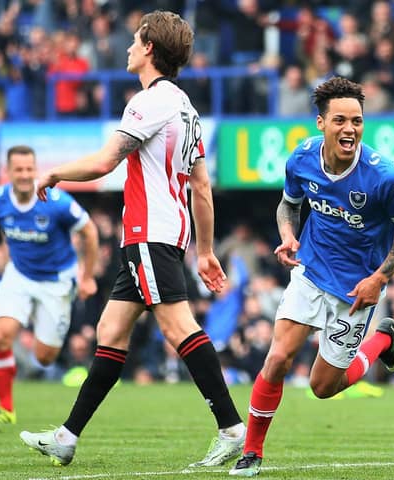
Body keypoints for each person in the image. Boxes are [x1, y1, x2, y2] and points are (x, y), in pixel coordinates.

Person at [19, 10, 246, 468]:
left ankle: (231, 427)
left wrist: (56, 172)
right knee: (110, 331)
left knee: (178, 327)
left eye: (133, 40)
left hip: (148, 233)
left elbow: (105, 163)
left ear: (148, 49)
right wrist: (203, 251)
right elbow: (200, 187)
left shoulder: (149, 103)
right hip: (165, 235)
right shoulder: (186, 106)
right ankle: (66, 437)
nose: (127, 47)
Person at [229, 76, 394, 476]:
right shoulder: (301, 159)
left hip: (357, 289)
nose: (349, 129)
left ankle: (382, 340)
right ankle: (252, 452)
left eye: (356, 120)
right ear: (321, 122)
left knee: (323, 387)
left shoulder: (384, 176)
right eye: (340, 120)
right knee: (279, 357)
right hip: (311, 273)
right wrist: (288, 236)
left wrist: (379, 279)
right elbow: (288, 205)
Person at [0, 145, 99, 425]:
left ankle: (41, 325)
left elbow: (90, 231)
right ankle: (6, 409)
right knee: (1, 335)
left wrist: (86, 277)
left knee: (45, 356)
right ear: (8, 172)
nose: (25, 175)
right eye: (19, 169)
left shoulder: (57, 202)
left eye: (30, 169)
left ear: (35, 170)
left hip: (57, 281)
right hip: (19, 274)